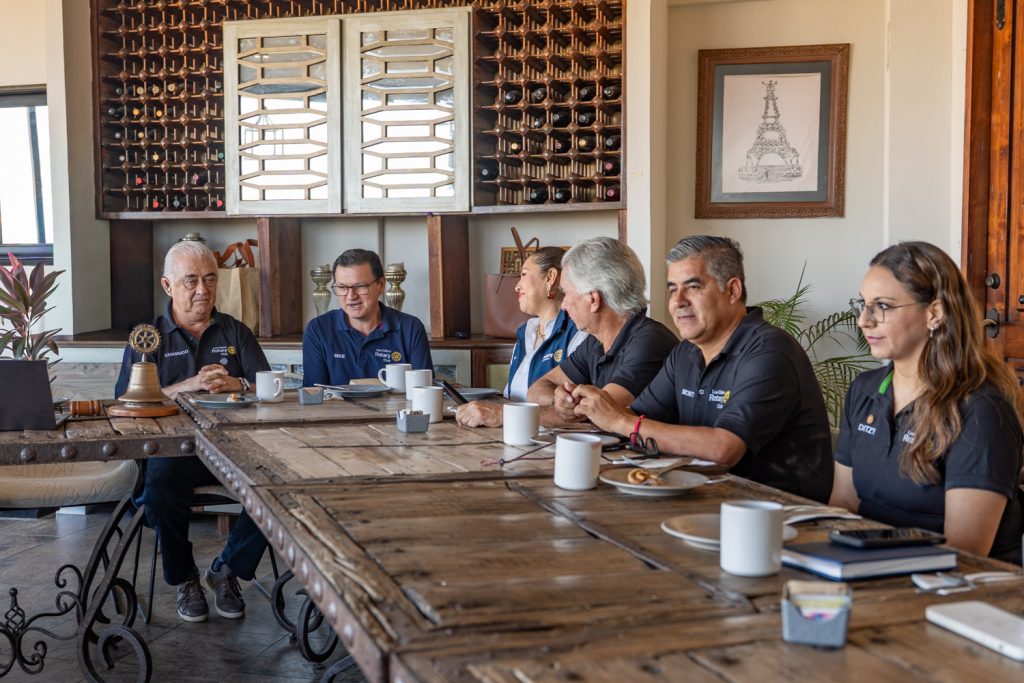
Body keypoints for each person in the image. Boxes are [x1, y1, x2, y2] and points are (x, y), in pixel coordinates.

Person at [573, 235, 834, 502]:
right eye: (673, 289)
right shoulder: (685, 353)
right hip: (704, 497)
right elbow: (639, 416)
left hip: (779, 511)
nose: (678, 301)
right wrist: (587, 405)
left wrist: (619, 421)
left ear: (732, 291)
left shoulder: (770, 352)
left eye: (693, 287)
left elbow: (724, 449)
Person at [829, 242, 1023, 562]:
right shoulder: (864, 390)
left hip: (952, 582)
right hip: (866, 566)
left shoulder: (981, 411)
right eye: (863, 304)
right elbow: (844, 506)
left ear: (934, 313)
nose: (864, 320)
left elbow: (964, 552)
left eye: (882, 306)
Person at [115, 240, 270, 623]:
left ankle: (227, 569)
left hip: (235, 447)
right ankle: (185, 578)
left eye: (210, 279)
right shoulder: (148, 337)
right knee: (159, 489)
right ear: (168, 286)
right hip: (174, 452)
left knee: (278, 485)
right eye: (191, 281)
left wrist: (239, 384)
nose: (203, 289)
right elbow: (124, 404)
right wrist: (188, 386)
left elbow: (269, 388)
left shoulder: (235, 332)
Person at [526, 237, 678, 428]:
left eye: (567, 294)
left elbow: (599, 417)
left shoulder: (650, 343)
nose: (563, 305)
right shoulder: (595, 341)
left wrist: (507, 416)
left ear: (593, 300)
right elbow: (537, 389)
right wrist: (560, 400)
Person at [456, 247, 588, 428]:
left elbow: (578, 413)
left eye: (524, 275)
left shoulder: (580, 333)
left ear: (550, 277)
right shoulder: (526, 332)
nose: (517, 286)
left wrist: (502, 415)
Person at [302, 248, 432, 386]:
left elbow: (424, 390)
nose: (351, 296)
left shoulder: (411, 328)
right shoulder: (318, 330)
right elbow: (313, 393)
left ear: (381, 285)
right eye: (342, 287)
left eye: (360, 286)